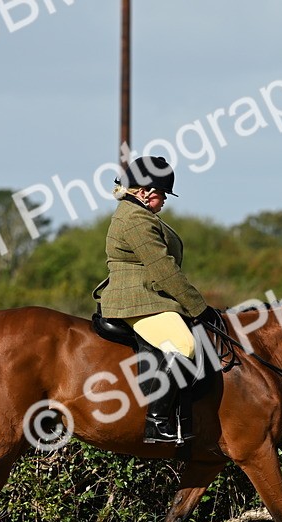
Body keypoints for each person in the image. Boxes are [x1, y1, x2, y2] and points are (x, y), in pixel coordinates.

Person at [93, 156, 219, 444]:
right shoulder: (135, 219)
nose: (164, 201)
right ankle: (157, 421)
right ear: (145, 192)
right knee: (184, 345)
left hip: (148, 297)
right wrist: (198, 307)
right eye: (162, 194)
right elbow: (163, 269)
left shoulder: (137, 215)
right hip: (138, 300)